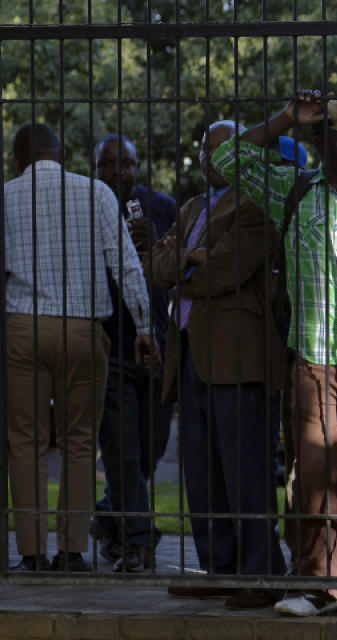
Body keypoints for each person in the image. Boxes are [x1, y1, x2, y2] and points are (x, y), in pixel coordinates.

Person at [212, 93, 337, 617]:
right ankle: (318, 588)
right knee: (313, 479)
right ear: (321, 143)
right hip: (315, 359)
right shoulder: (292, 191)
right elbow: (225, 158)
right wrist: (285, 118)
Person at [4, 123, 155, 572]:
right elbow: (127, 265)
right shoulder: (96, 194)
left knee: (24, 442)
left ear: (17, 161)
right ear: (61, 155)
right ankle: (71, 552)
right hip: (82, 329)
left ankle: (31, 555)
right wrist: (145, 326)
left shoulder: (6, 195)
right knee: (80, 440)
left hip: (22, 328)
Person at [149, 120, 287, 610]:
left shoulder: (257, 204)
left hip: (237, 354)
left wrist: (183, 261)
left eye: (222, 150)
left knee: (245, 470)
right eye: (206, 150)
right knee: (203, 471)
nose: (211, 159)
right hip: (189, 352)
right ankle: (220, 568)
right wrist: (193, 257)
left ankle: (263, 572)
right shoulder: (189, 208)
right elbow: (156, 268)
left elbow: (227, 271)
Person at [90, 133, 178, 573]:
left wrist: (157, 239)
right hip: (111, 344)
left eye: (125, 164)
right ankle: (139, 541)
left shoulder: (161, 206)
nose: (117, 173)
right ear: (96, 170)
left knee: (149, 450)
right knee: (122, 450)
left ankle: (109, 514)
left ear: (137, 167)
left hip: (157, 346)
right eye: (107, 165)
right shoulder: (87, 206)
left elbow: (182, 265)